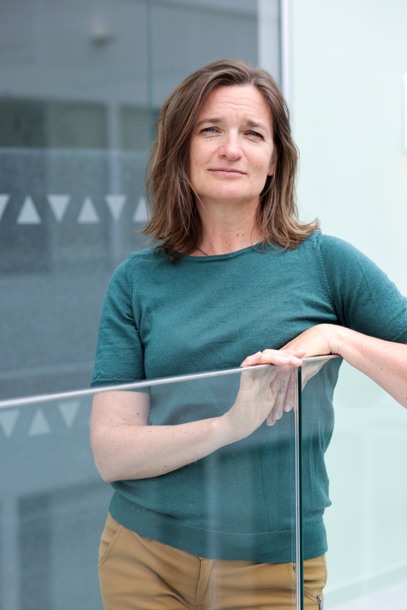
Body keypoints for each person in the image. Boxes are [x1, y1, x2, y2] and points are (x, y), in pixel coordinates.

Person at [90, 59, 407, 609]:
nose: (230, 148)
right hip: (142, 556)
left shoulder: (326, 264)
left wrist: (338, 338)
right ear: (180, 150)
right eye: (210, 129)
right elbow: (112, 453)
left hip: (273, 567)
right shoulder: (137, 281)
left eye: (252, 134)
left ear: (274, 160)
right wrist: (229, 425)